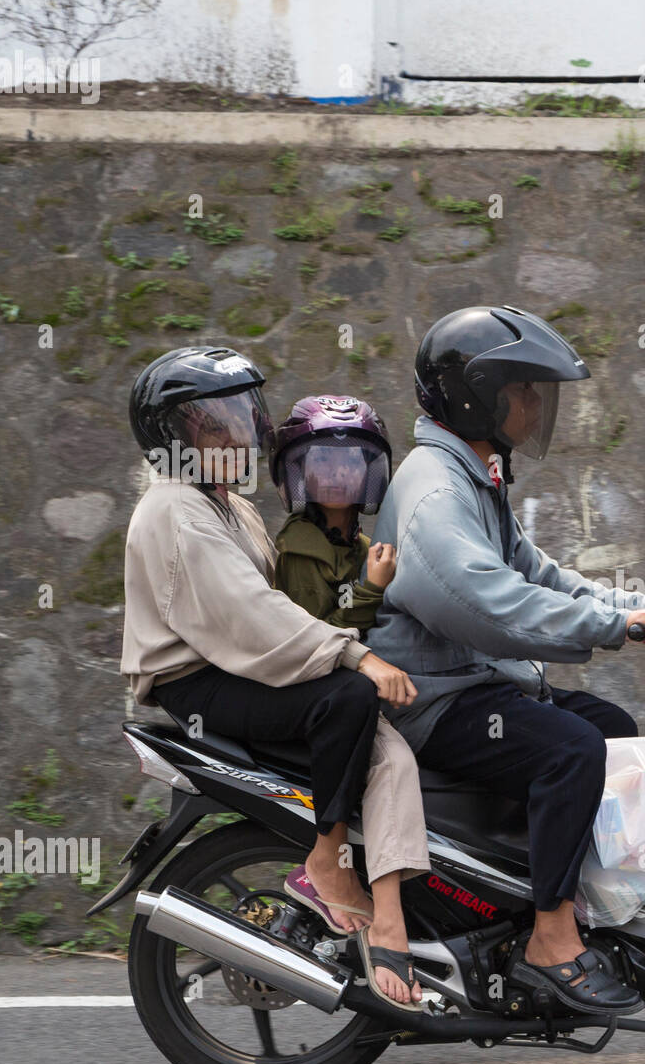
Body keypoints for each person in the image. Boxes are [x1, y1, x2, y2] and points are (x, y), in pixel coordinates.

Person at [362, 305, 645, 1015]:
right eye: (526, 389)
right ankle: (547, 940)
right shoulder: (436, 491)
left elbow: (537, 572)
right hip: (432, 699)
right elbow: (490, 605)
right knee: (572, 749)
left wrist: (635, 609)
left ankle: (532, 897)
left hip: (471, 684)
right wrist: (616, 628)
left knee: (610, 726)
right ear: (478, 393)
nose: (537, 405)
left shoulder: (473, 474)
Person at [119, 348, 427, 1011]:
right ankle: (328, 863)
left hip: (235, 667)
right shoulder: (175, 511)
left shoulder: (230, 506)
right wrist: (354, 656)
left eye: (243, 414)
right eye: (215, 421)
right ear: (173, 436)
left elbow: (283, 608)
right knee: (347, 696)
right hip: (200, 682)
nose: (239, 432)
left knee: (388, 749)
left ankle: (396, 916)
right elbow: (253, 616)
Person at [268, 393, 428, 1008]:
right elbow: (320, 629)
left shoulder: (363, 545)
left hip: (356, 683)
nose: (338, 475)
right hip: (324, 689)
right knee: (396, 765)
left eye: (351, 464)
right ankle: (389, 921)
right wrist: (369, 589)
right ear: (298, 476)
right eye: (323, 464)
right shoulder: (301, 548)